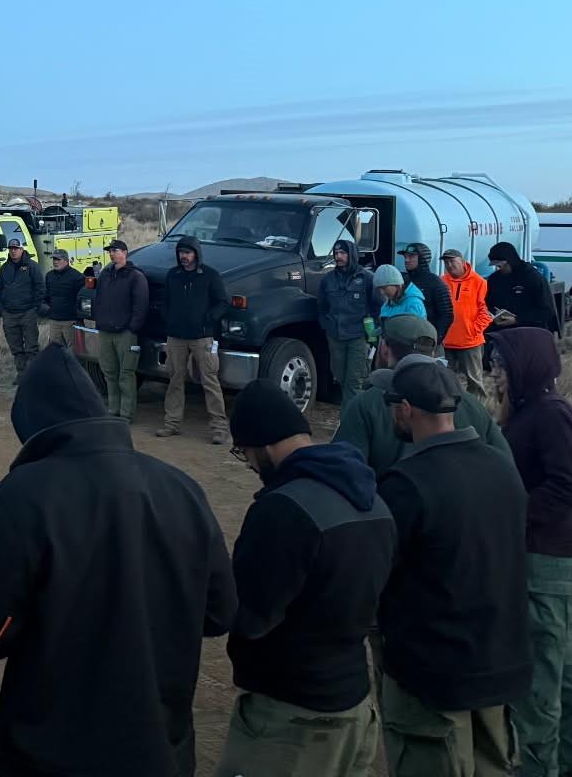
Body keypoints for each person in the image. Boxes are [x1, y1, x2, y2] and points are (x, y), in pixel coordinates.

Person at [0, 344, 235, 775]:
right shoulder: (182, 488)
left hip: (53, 754)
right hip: (162, 750)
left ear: (31, 427)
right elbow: (220, 613)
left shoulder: (24, 494)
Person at [215, 382, 396, 777]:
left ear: (263, 444)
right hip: (354, 702)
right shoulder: (374, 501)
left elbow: (248, 616)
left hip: (291, 719)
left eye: (243, 452)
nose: (247, 464)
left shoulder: (284, 510)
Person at [377, 359, 532, 777]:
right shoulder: (502, 467)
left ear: (406, 409)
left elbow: (380, 576)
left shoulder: (406, 483)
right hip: (499, 661)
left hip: (433, 672)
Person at [490, 328, 572, 777]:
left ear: (525, 365)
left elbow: (566, 488)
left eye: (500, 364)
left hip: (546, 562)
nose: (493, 372)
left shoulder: (550, 414)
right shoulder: (528, 410)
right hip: (551, 558)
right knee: (567, 677)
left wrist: (510, 515)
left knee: (539, 684)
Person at [333, 315, 510, 479]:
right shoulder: (469, 402)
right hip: (462, 508)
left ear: (385, 349)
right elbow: (506, 466)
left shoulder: (366, 404)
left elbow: (343, 474)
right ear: (433, 353)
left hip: (391, 508)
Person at [159, 236, 230, 444]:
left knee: (209, 381)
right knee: (174, 380)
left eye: (188, 253)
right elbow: (165, 302)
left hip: (202, 337)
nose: (184, 256)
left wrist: (208, 319)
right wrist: (169, 318)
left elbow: (222, 302)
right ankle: (172, 424)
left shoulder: (210, 276)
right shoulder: (173, 275)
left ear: (196, 254)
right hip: (176, 337)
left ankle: (219, 428)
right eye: (181, 252)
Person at [91, 238, 150, 421]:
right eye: (110, 251)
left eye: (116, 250)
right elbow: (98, 299)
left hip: (125, 333)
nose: (112, 254)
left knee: (126, 374)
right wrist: (98, 320)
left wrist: (132, 328)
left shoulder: (136, 276)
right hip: (105, 331)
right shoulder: (105, 275)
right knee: (109, 372)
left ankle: (126, 414)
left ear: (125, 252)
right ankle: (113, 411)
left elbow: (141, 306)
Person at [318, 239, 375, 410]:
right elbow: (322, 307)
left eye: (342, 253)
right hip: (335, 336)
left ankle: (351, 422)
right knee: (340, 378)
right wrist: (326, 325)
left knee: (354, 380)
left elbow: (378, 307)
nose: (338, 257)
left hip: (358, 336)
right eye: (336, 253)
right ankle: (351, 414)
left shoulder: (367, 278)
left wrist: (373, 333)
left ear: (352, 255)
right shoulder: (328, 280)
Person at [441, 249, 493, 397]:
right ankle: (451, 412)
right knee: (445, 381)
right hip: (446, 342)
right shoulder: (442, 282)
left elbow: (487, 311)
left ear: (463, 262)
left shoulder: (479, 283)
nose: (449, 265)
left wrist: (473, 330)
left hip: (470, 343)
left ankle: (478, 413)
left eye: (452, 261)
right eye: (446, 262)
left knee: (474, 382)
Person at [0, 236, 45, 382]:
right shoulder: (4, 268)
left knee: (31, 347)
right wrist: (1, 308)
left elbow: (40, 287)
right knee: (16, 347)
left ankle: (32, 376)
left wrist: (35, 306)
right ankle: (21, 374)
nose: (13, 251)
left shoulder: (32, 266)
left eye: (16, 248)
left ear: (22, 249)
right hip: (9, 314)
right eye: (11, 249)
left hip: (27, 312)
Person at [487, 242, 558, 333]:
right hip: (501, 332)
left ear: (510, 261)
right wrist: (493, 313)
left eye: (501, 265)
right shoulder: (495, 279)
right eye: (496, 266)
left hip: (530, 332)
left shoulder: (533, 278)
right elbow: (488, 302)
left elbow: (546, 311)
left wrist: (518, 319)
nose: (499, 268)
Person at [398, 244, 454, 346]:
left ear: (422, 258)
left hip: (428, 341)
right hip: (406, 340)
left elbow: (447, 314)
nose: (406, 260)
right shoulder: (402, 281)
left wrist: (436, 340)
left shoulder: (435, 282)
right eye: (405, 257)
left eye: (411, 256)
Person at [41, 248, 85, 347]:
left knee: (74, 353)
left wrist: (78, 318)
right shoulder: (49, 276)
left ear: (66, 261)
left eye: (58, 259)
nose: (55, 262)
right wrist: (44, 306)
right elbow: (46, 295)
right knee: (55, 352)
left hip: (71, 322)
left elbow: (83, 300)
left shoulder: (77, 277)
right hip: (54, 321)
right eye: (54, 259)